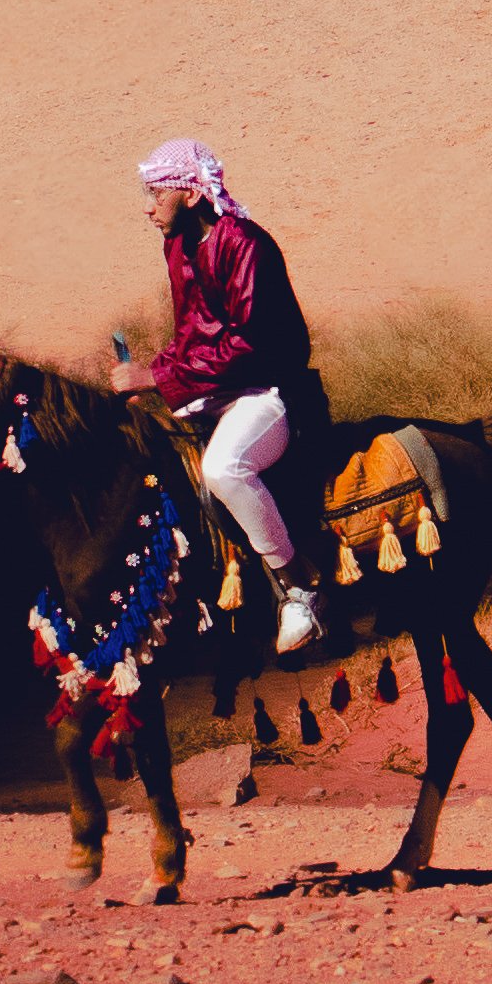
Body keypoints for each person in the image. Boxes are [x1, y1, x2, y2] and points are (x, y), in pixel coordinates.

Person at [113, 140, 325, 654]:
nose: (148, 207)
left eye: (156, 193)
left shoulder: (245, 243)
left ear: (189, 193)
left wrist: (156, 379)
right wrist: (159, 378)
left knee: (223, 469)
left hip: (270, 390)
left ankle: (299, 587)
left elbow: (249, 343)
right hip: (217, 388)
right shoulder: (179, 245)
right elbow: (194, 331)